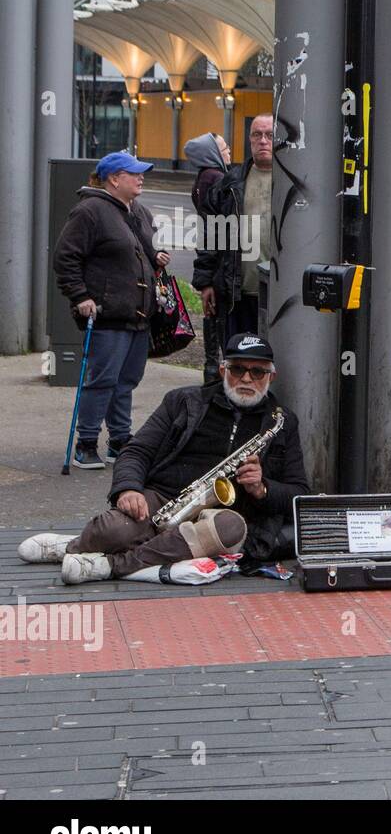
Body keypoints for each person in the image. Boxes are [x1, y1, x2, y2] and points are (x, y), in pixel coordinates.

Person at [17, 334, 309, 586]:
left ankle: (108, 566)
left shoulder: (281, 423)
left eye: (257, 372)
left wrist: (263, 489)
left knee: (229, 528)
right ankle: (73, 547)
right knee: (113, 529)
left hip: (223, 517)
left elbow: (300, 493)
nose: (246, 379)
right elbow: (136, 450)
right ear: (222, 370)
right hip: (165, 498)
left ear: (272, 376)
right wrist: (128, 489)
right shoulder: (183, 401)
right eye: (237, 369)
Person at [53, 151, 171, 469]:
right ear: (114, 179)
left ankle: (120, 441)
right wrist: (80, 296)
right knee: (102, 380)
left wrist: (156, 254)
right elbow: (66, 258)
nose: (141, 177)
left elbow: (143, 247)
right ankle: (86, 444)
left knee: (126, 381)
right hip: (106, 313)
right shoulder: (89, 211)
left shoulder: (138, 211)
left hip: (139, 315)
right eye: (134, 173)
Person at [194, 113, 274, 346]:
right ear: (249, 140)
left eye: (269, 135)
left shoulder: (295, 181)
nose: (263, 141)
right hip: (237, 293)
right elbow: (210, 235)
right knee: (237, 357)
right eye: (257, 135)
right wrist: (206, 282)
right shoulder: (229, 184)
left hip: (280, 295)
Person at [184, 132, 232, 384]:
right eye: (224, 147)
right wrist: (207, 278)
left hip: (212, 264)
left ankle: (212, 369)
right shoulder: (216, 179)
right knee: (219, 320)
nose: (229, 151)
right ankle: (215, 375)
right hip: (219, 264)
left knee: (212, 319)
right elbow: (214, 230)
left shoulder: (203, 178)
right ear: (212, 153)